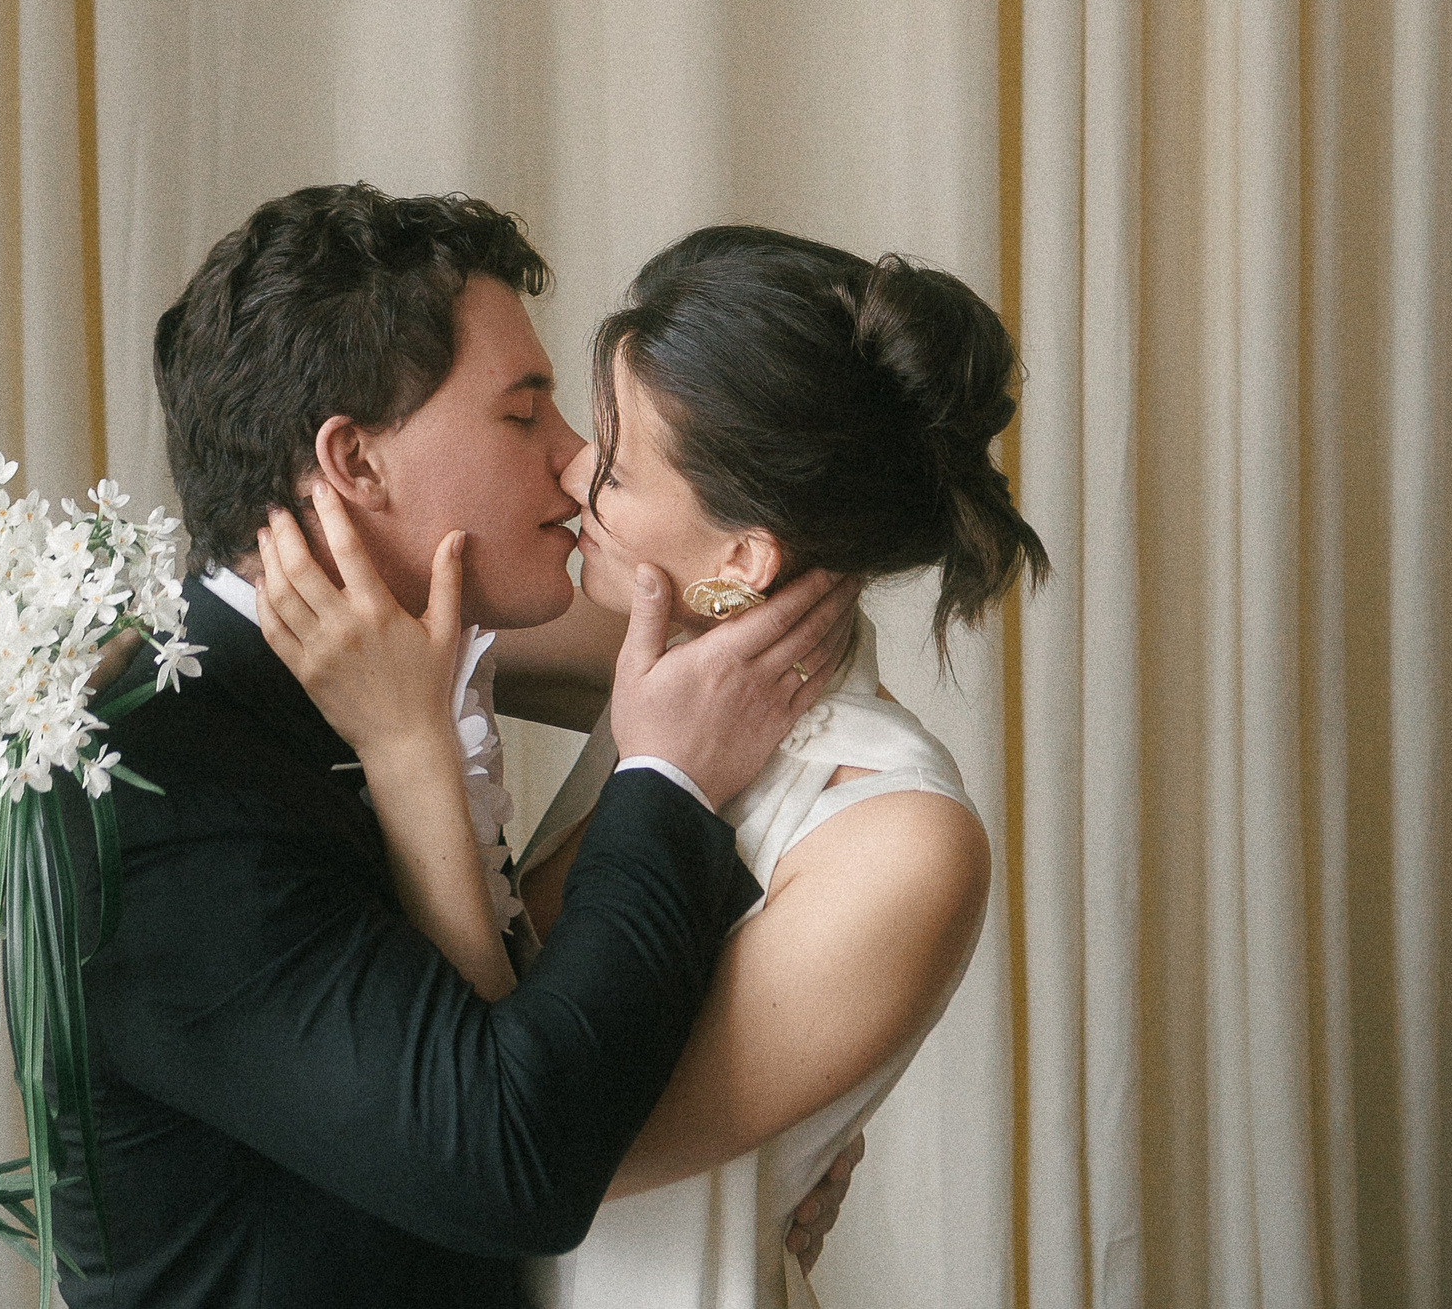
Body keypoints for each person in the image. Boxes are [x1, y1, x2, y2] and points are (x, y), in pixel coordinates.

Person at [52, 186, 862, 1309]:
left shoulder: (413, 658)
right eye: (525, 415)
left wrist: (777, 1136)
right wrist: (667, 781)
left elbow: (719, 632)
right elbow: (511, 1157)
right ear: (355, 462)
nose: (576, 462)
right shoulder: (162, 790)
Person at [260, 224, 1048, 1309]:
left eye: (618, 465)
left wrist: (420, 756)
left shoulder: (899, 843)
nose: (572, 467)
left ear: (742, 558)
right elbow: (338, 610)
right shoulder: (657, 655)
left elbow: (532, 1157)